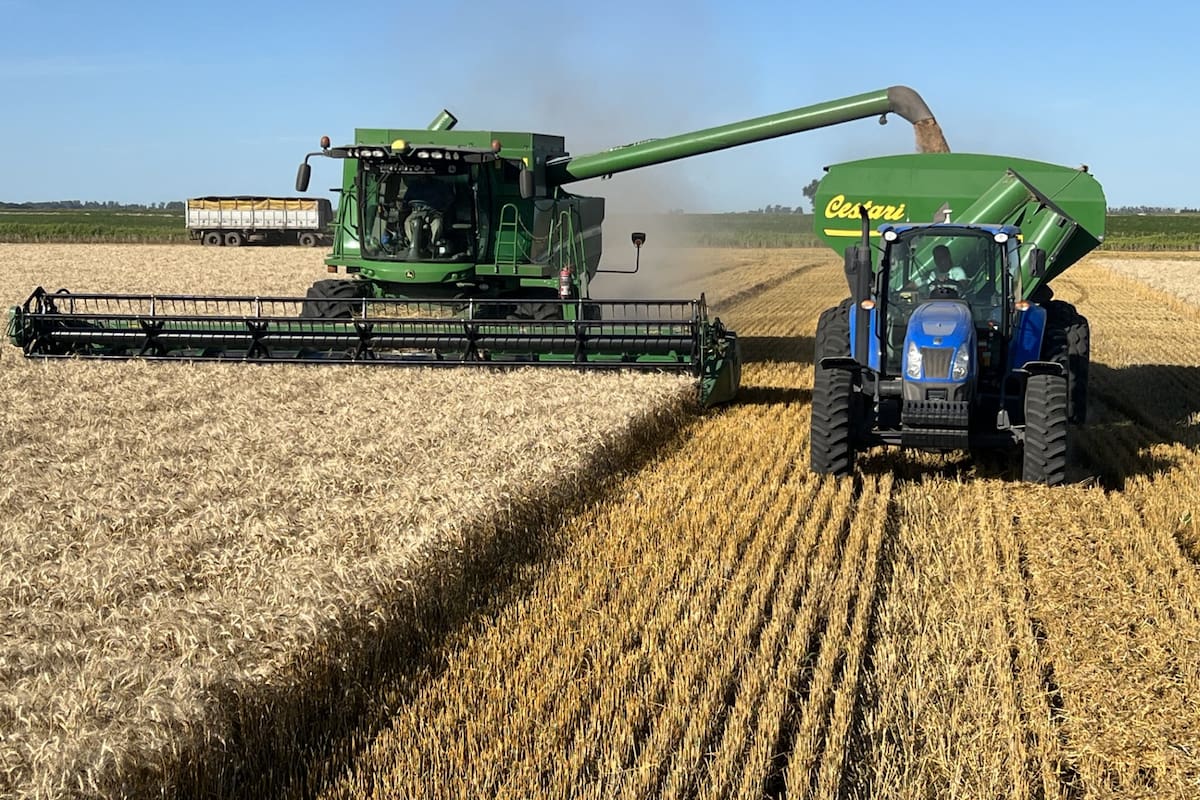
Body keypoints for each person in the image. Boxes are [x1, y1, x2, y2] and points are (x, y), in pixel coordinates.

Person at [402, 176, 455, 255]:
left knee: (437, 222)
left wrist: (442, 209)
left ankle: (432, 244)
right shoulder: (413, 186)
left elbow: (450, 199)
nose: (424, 175)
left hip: (433, 212)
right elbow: (406, 200)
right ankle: (412, 245)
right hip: (416, 212)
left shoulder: (440, 185)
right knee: (407, 222)